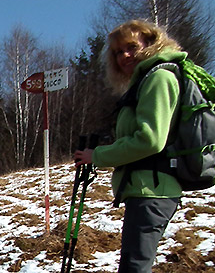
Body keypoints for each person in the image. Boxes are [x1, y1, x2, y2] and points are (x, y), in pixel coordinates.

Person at [73, 19, 184, 272]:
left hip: (152, 190)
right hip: (148, 189)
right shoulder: (147, 80)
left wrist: (97, 155)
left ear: (151, 42)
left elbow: (150, 140)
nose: (124, 55)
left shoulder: (158, 78)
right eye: (117, 52)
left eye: (131, 47)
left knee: (134, 268)